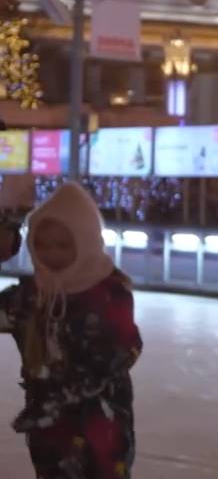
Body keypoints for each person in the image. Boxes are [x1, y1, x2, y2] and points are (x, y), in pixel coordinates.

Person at [0, 183, 143, 477]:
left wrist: (63, 394)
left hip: (101, 426)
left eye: (62, 245)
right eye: (42, 245)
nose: (51, 254)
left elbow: (122, 349)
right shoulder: (31, 295)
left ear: (86, 241)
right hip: (49, 432)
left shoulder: (108, 293)